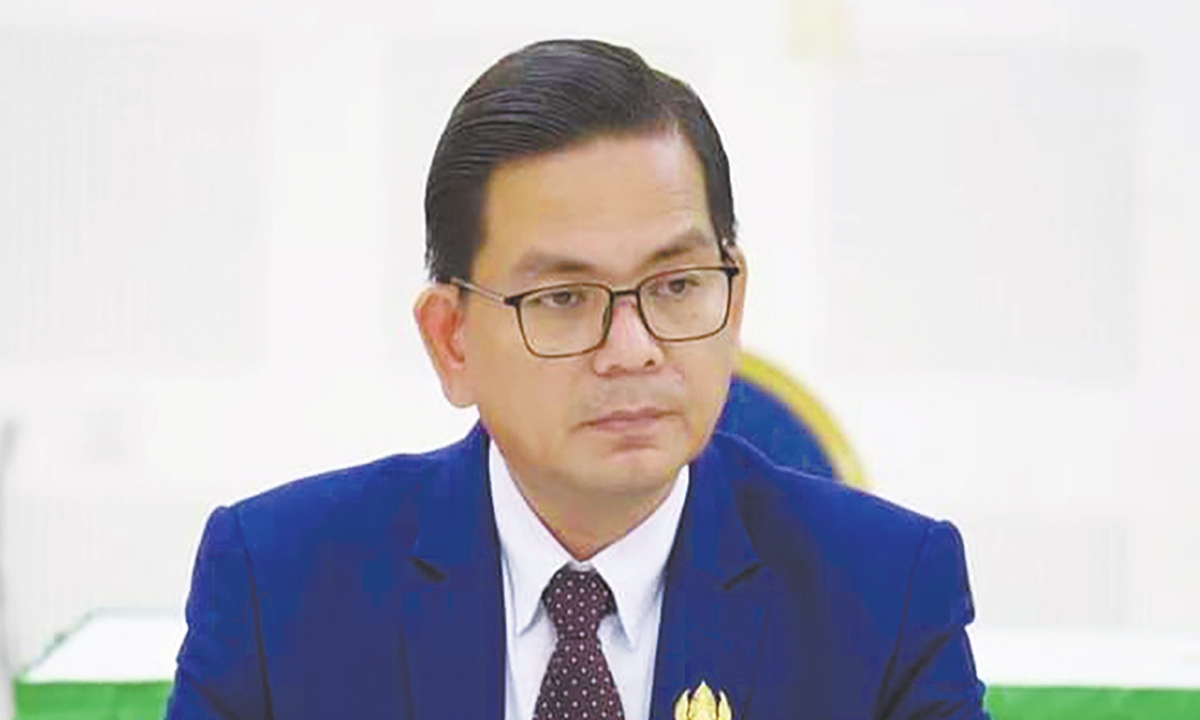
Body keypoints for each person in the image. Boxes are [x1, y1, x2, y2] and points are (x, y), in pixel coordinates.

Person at [167, 39, 988, 720]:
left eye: (677, 285)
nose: (632, 349)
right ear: (452, 340)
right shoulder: (281, 585)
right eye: (562, 298)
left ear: (734, 301)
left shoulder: (885, 592)